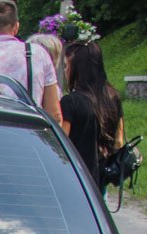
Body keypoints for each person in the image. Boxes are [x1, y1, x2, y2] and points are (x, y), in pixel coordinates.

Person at [60, 40, 124, 190]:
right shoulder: (112, 97)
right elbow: (119, 141)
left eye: (66, 66)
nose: (65, 71)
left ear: (77, 69)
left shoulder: (70, 102)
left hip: (74, 178)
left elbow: (61, 144)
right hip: (100, 179)